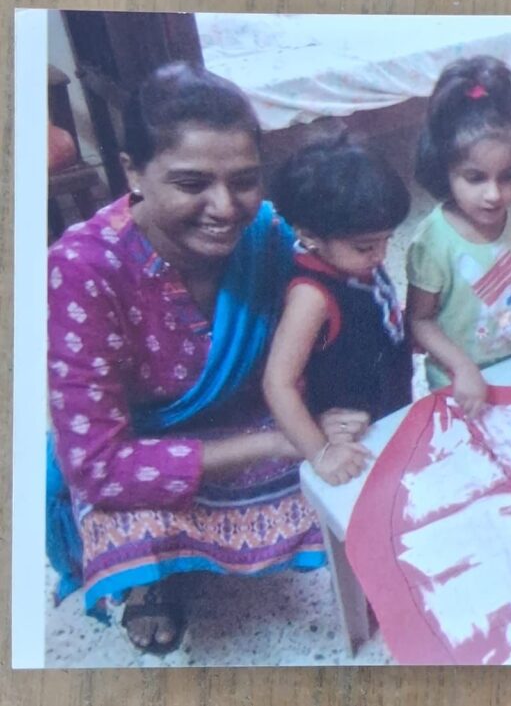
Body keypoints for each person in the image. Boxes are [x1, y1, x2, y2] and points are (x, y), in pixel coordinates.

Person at [45, 62, 348, 655]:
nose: (225, 206)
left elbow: (332, 317)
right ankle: (152, 584)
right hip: (148, 447)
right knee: (119, 514)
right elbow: (97, 464)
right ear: (133, 171)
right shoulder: (83, 268)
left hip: (250, 414)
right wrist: (280, 443)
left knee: (362, 466)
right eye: (191, 184)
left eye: (244, 180)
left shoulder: (267, 234)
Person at [262, 136, 414, 486]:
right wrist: (321, 452)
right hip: (350, 427)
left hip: (386, 399)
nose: (380, 255)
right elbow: (277, 382)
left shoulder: (353, 262)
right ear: (310, 237)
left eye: (387, 240)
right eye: (365, 246)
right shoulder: (311, 297)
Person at [406, 56, 511, 418]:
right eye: (475, 178)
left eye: (508, 176)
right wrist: (463, 368)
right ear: (445, 170)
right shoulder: (433, 241)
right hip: (458, 381)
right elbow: (419, 321)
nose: (494, 194)